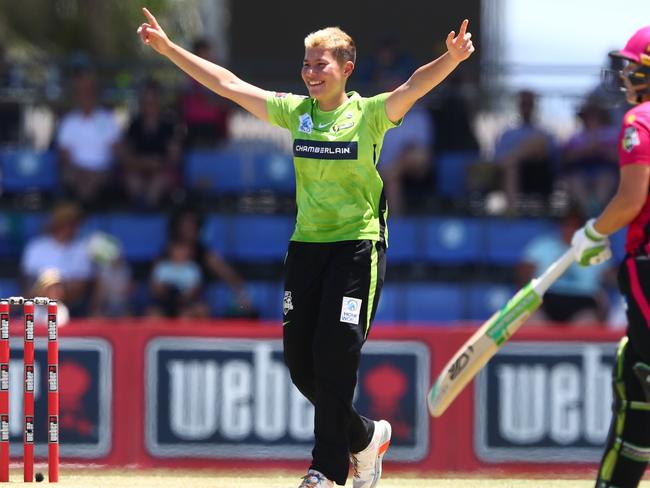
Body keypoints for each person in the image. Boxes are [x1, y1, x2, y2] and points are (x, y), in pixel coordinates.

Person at [138, 9, 474, 487]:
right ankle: (364, 437)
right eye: (307, 65)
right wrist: (170, 50)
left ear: (346, 69)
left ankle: (325, 471)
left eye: (321, 65)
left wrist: (452, 58)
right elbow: (230, 85)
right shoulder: (297, 112)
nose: (311, 73)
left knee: (336, 355)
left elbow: (414, 86)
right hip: (307, 247)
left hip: (357, 247)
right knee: (301, 364)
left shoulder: (370, 114)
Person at [567, 26, 650, 488]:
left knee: (638, 370)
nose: (628, 78)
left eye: (636, 68)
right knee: (633, 371)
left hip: (647, 261)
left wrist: (594, 231)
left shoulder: (642, 119)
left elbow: (632, 198)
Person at [517, 204, 610, 324]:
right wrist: (528, 297)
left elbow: (611, 277)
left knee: (588, 323)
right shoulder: (542, 245)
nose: (569, 230)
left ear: (582, 229)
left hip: (582, 300)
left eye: (574, 226)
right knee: (531, 321)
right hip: (546, 298)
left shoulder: (594, 249)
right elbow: (523, 273)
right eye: (567, 225)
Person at [56, 69, 121, 207]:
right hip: (77, 171)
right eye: (82, 92)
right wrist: (81, 171)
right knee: (72, 177)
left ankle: (85, 211)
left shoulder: (106, 119)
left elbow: (116, 150)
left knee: (94, 182)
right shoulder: (69, 121)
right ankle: (80, 212)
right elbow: (64, 154)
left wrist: (98, 170)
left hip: (102, 171)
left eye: (89, 92)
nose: (86, 96)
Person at [20, 201, 94, 316]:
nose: (76, 228)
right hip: (39, 303)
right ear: (60, 224)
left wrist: (58, 292)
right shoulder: (36, 247)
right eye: (71, 224)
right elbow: (28, 282)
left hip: (72, 305)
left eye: (76, 224)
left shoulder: (82, 249)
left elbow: (81, 285)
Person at [119, 80, 183, 209]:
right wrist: (145, 163)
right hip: (138, 169)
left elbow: (174, 157)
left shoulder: (169, 125)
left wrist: (157, 164)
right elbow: (126, 155)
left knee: (157, 184)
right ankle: (137, 214)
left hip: (162, 171)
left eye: (152, 103)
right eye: (145, 102)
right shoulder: (134, 125)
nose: (149, 106)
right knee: (133, 182)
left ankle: (149, 214)